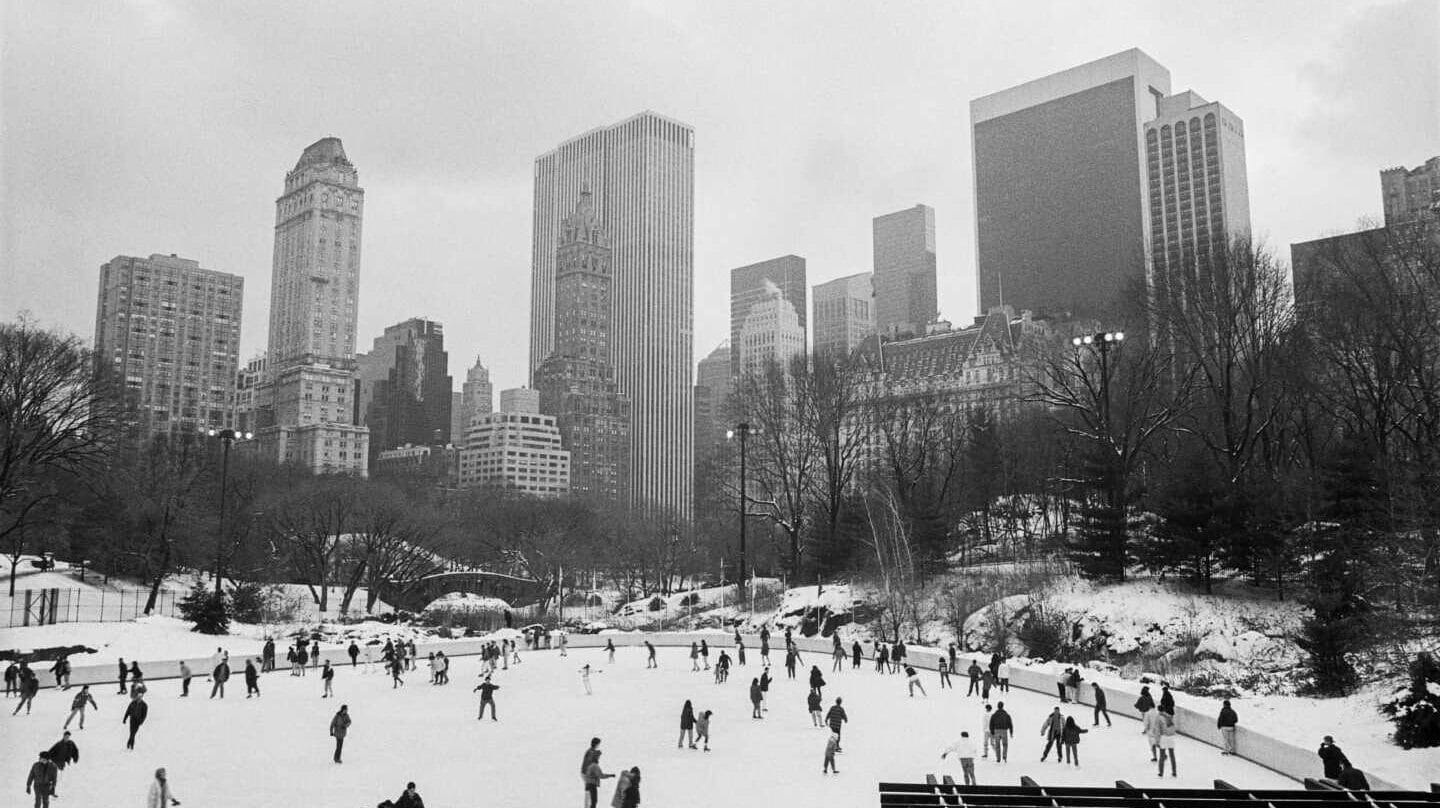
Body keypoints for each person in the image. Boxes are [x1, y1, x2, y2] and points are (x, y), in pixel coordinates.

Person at [1157, 711, 1178, 777]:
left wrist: (1157, 741)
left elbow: (1158, 730)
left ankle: (1161, 772)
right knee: (1172, 755)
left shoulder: (1159, 718)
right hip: (1171, 738)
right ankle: (1174, 772)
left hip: (1164, 737)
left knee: (1162, 756)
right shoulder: (1170, 717)